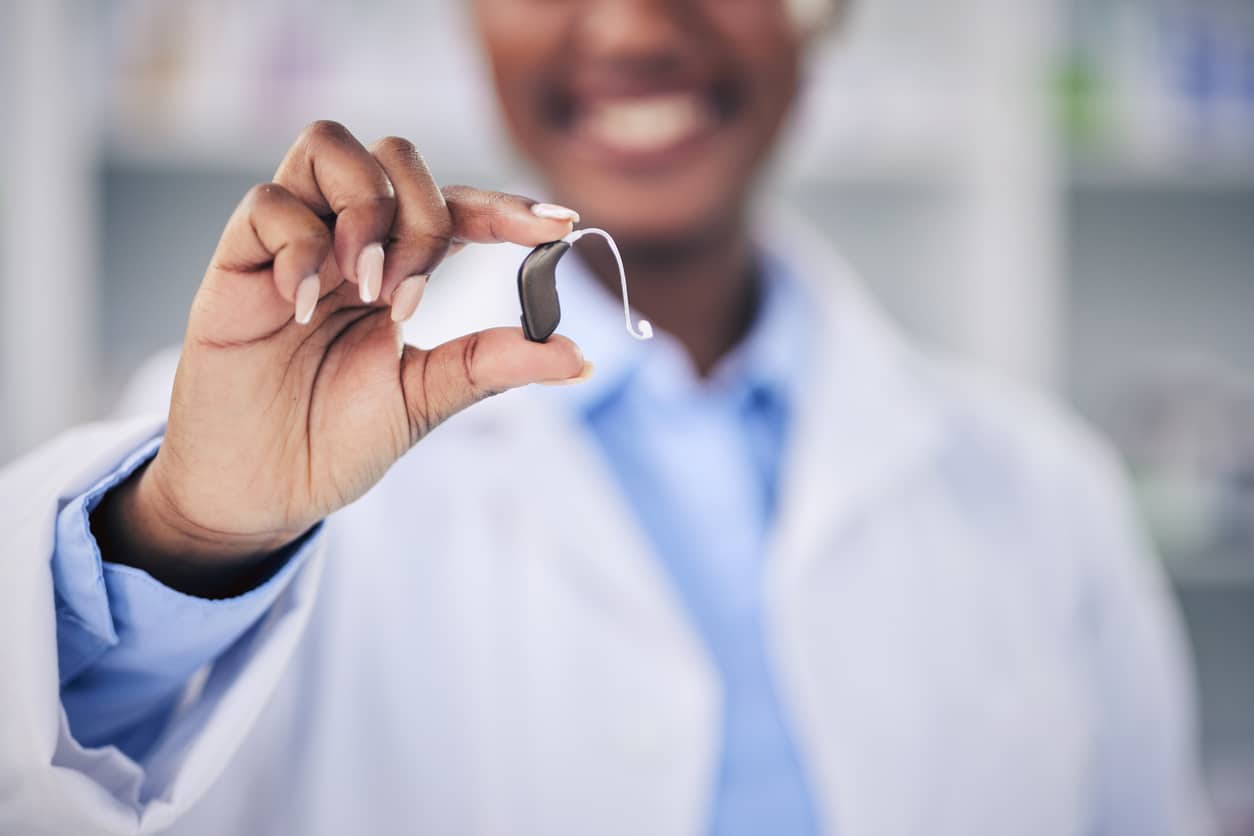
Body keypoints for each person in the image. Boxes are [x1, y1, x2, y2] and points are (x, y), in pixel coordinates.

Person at [0, 1, 1213, 834]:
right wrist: (194, 537)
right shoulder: (254, 437)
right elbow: (53, 768)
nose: (634, 23)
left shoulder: (1040, 492)